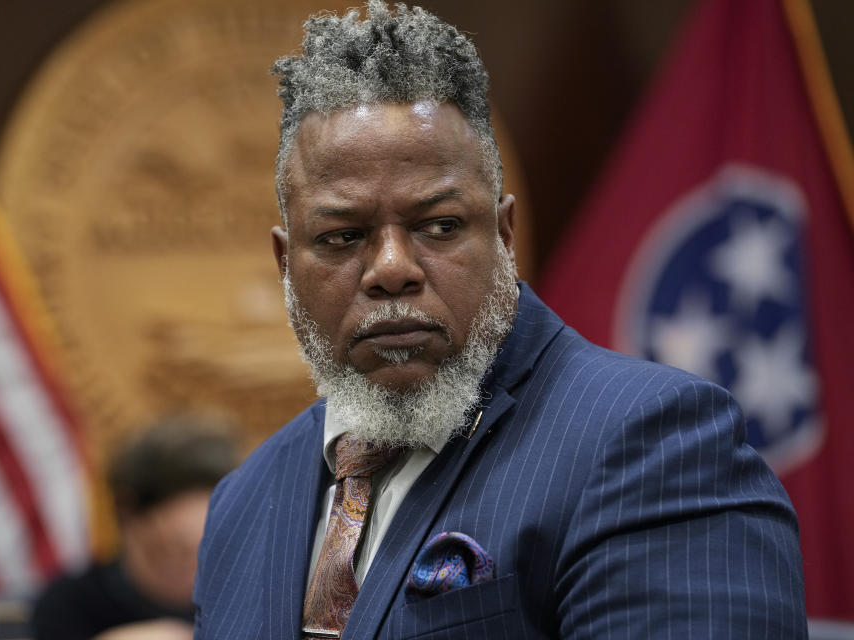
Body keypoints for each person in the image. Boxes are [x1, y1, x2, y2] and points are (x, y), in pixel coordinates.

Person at [192, 2, 807, 637]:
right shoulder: (243, 501)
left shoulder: (658, 446)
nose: (392, 268)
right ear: (286, 264)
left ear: (505, 235)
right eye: (344, 238)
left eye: (440, 226)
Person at [32, 417, 235, 640]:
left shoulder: (251, 600)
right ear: (128, 512)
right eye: (175, 547)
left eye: (214, 546)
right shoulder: (68, 606)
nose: (194, 564)